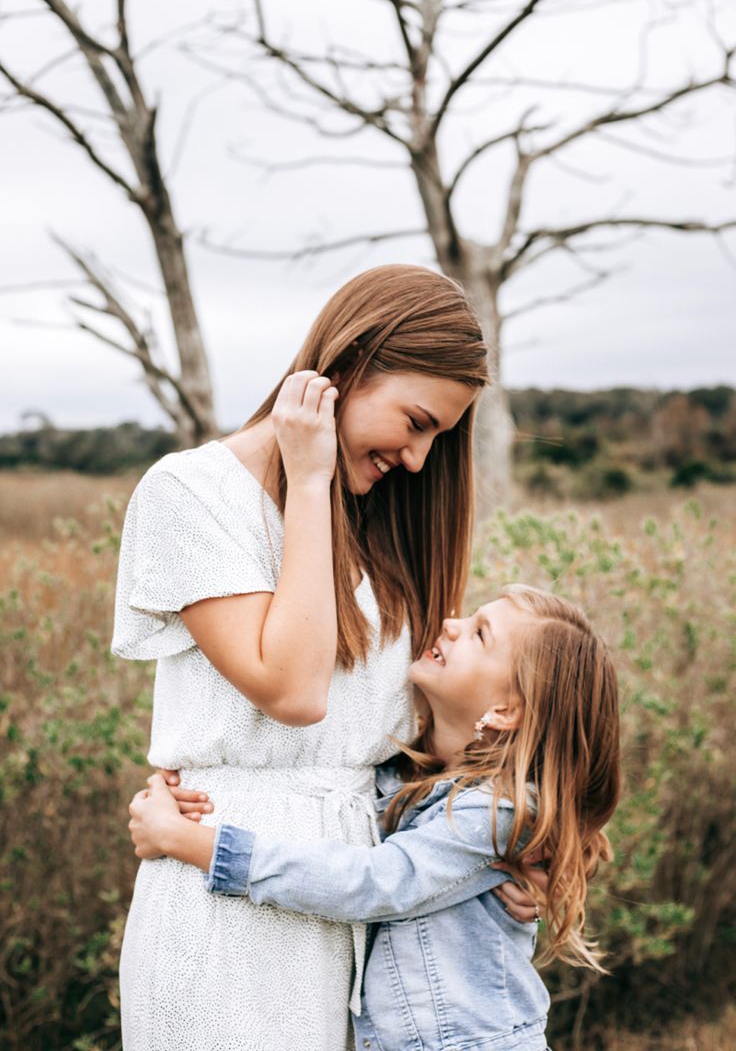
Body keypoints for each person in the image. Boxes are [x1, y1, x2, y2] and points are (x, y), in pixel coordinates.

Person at [111, 265, 537, 1051]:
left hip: (364, 922)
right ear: (348, 366)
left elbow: (414, 744)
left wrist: (505, 850)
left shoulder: (386, 520)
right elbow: (294, 689)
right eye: (415, 422)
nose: (417, 458)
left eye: (437, 437)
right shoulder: (193, 494)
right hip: (228, 905)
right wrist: (307, 482)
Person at [129, 584, 621, 1051]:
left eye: (479, 634)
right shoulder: (406, 782)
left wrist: (192, 842)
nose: (451, 624)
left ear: (505, 709)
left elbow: (375, 883)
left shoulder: (496, 814)